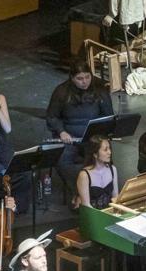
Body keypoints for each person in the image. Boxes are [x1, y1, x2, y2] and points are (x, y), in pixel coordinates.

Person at [45, 62, 114, 200]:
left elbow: (108, 116)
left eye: (87, 77)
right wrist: (62, 132)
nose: (84, 82)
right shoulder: (61, 92)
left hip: (93, 139)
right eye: (80, 79)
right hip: (70, 139)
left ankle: (100, 194)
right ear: (72, 78)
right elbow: (52, 117)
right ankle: (78, 194)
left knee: (104, 156)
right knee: (62, 160)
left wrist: (101, 134)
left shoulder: (100, 90)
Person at [75, 135, 119, 209]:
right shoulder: (84, 175)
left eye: (110, 149)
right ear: (95, 154)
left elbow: (115, 197)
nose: (110, 152)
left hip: (109, 213)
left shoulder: (113, 169)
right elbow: (86, 205)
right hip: (92, 216)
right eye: (105, 150)